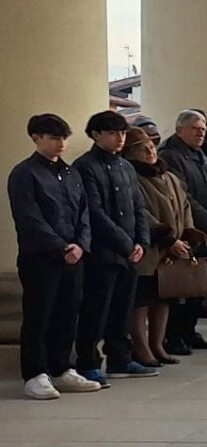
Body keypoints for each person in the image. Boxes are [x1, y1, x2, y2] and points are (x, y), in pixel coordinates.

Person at [9, 114, 102, 400]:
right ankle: (35, 373)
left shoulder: (71, 173)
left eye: (63, 137)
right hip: (42, 257)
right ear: (36, 138)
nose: (61, 143)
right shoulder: (24, 173)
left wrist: (80, 245)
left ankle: (61, 368)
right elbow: (29, 218)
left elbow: (84, 213)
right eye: (53, 137)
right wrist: (61, 247)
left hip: (75, 255)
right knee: (39, 314)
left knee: (67, 313)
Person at [72, 111, 154, 383]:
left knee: (123, 308)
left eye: (122, 133)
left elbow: (137, 207)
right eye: (112, 133)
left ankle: (121, 358)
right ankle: (88, 362)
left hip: (130, 251)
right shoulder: (85, 166)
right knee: (96, 309)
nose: (120, 139)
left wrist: (142, 241)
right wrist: (125, 242)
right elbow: (93, 211)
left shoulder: (126, 166)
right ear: (96, 135)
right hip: (103, 251)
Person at [125, 128, 195, 369]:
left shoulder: (169, 176)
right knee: (142, 300)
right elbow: (140, 213)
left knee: (163, 298)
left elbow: (184, 206)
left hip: (171, 251)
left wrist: (186, 232)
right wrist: (167, 237)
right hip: (150, 249)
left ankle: (158, 344)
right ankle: (141, 346)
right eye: (142, 148)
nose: (150, 151)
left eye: (152, 146)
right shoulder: (133, 177)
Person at [159, 111, 207, 355]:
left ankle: (189, 330)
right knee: (179, 287)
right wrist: (205, 224)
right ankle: (173, 335)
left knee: (197, 285)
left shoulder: (201, 155)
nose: (200, 133)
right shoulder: (171, 156)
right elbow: (183, 195)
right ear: (179, 130)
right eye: (195, 128)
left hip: (205, 230)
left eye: (203, 128)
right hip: (187, 229)